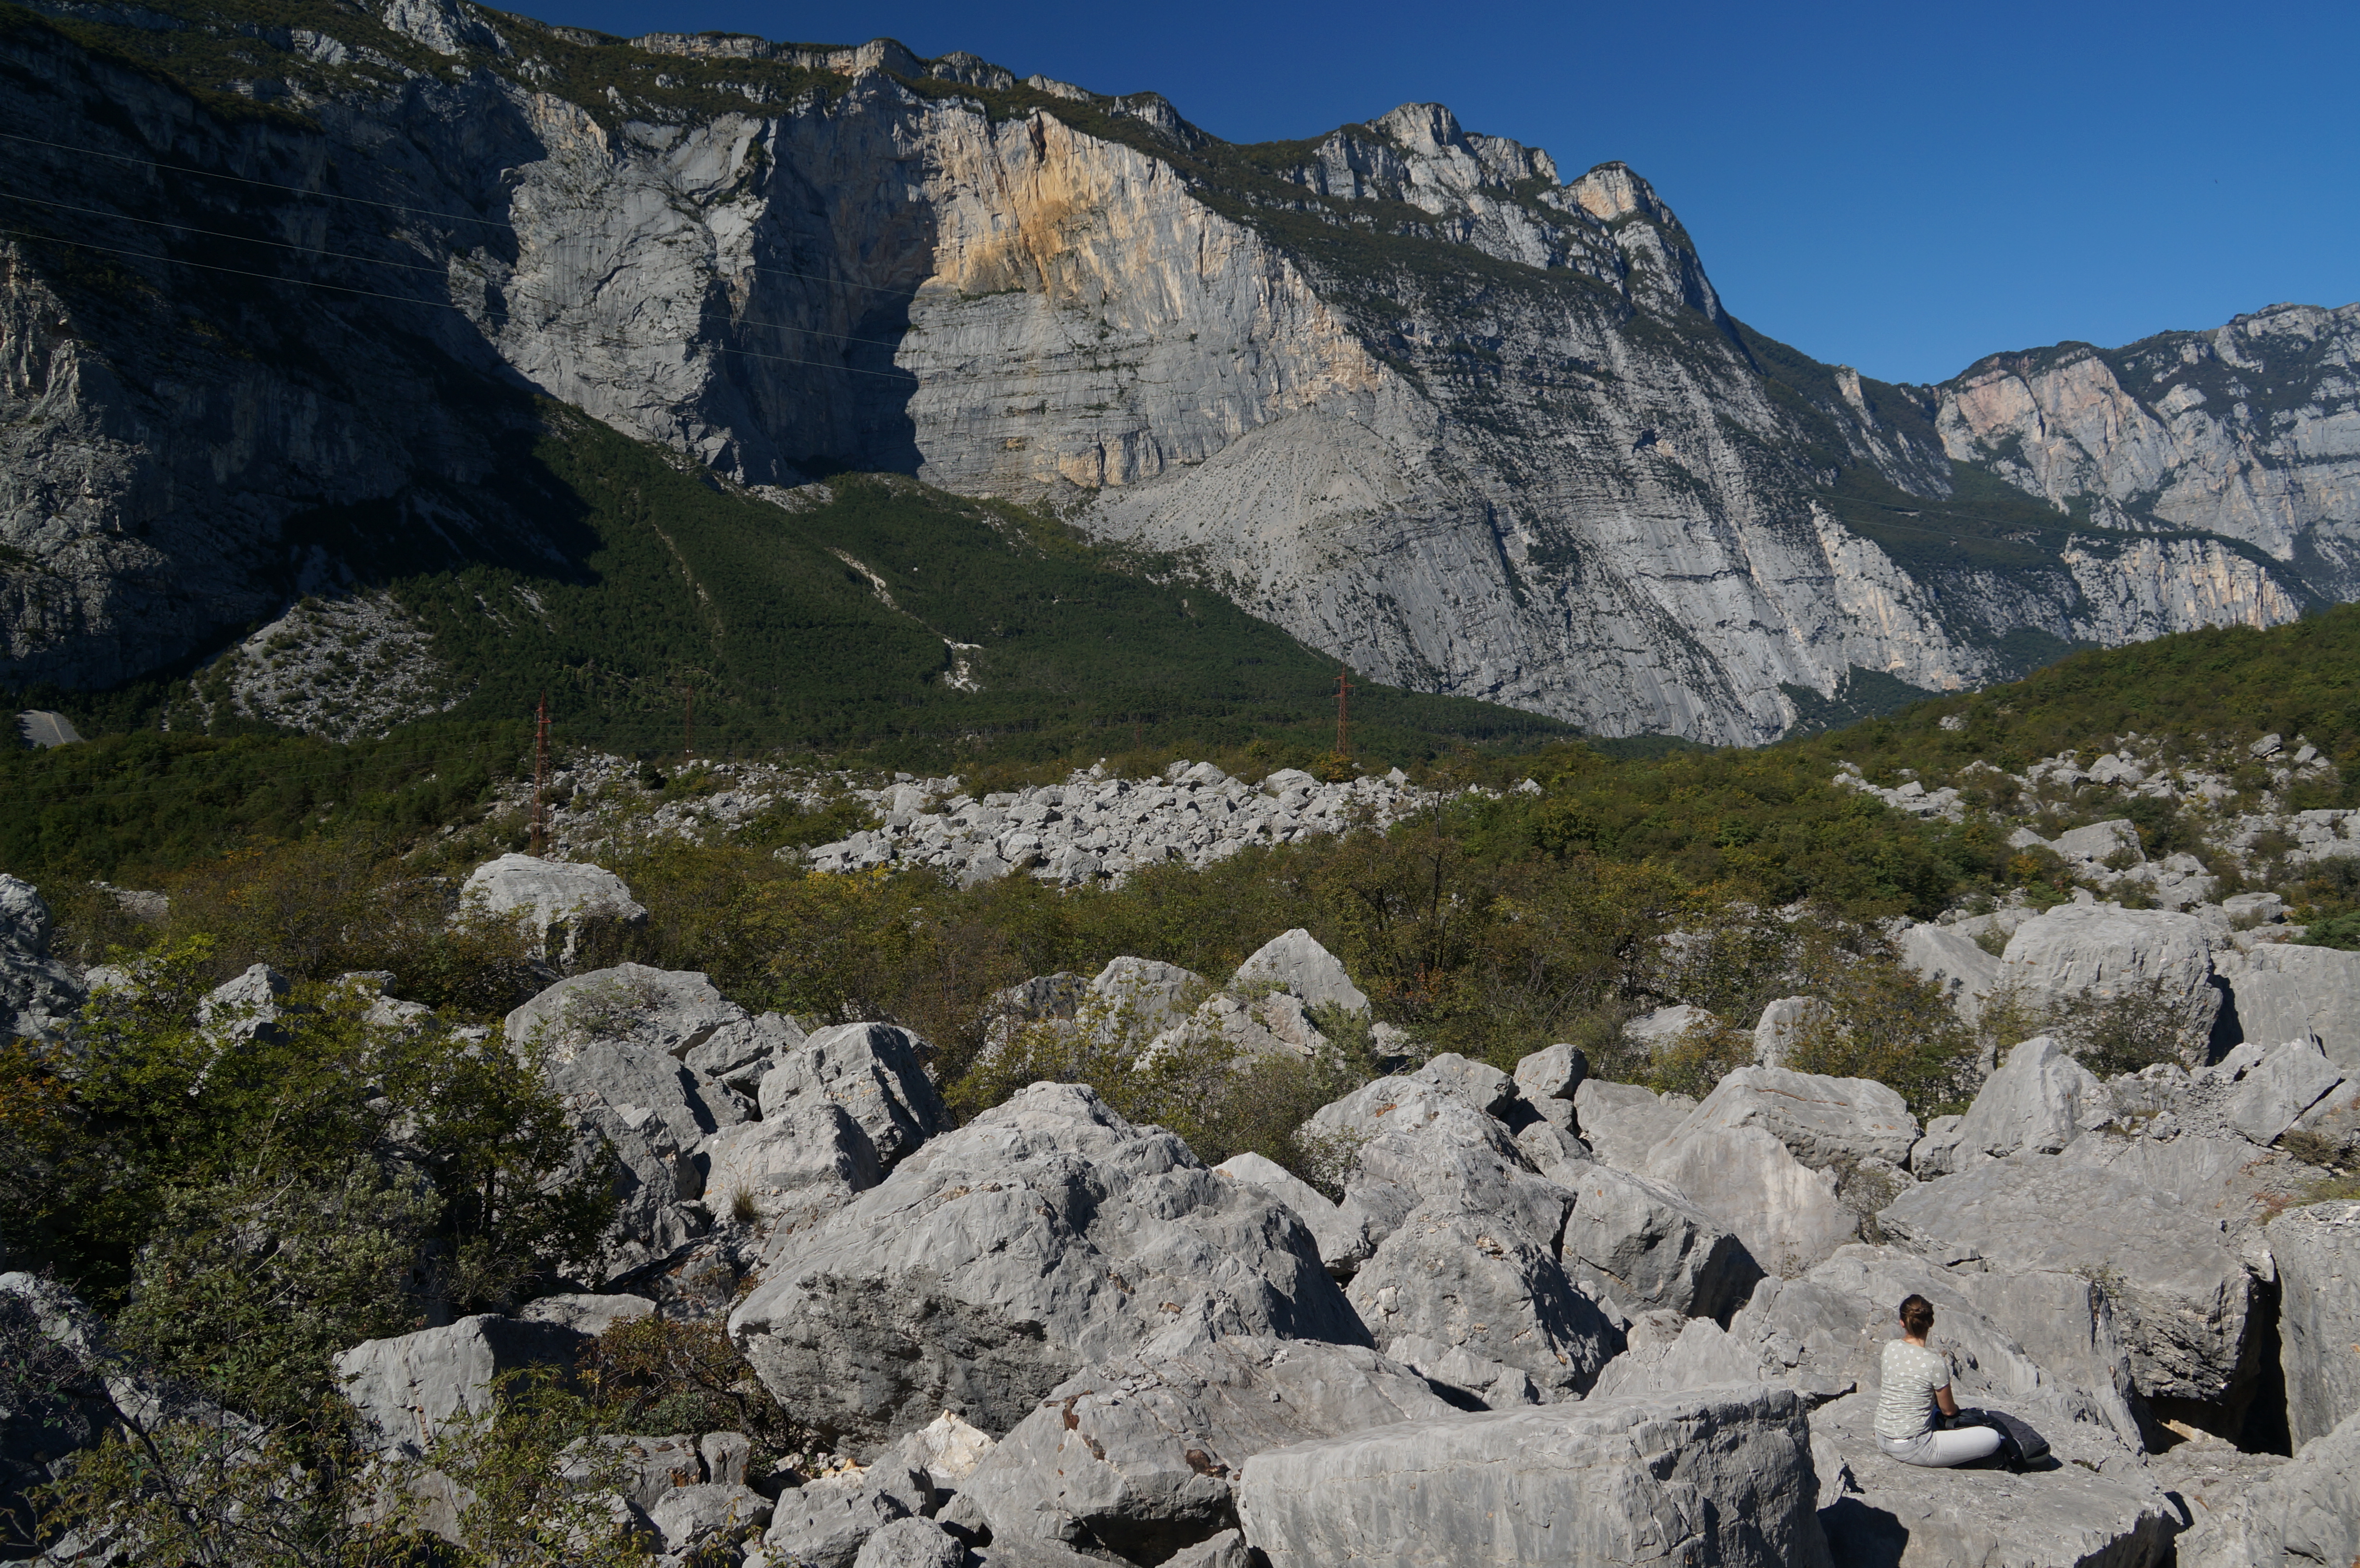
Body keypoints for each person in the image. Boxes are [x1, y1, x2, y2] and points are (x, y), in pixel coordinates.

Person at [1874, 1294, 2004, 1468]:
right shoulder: (1934, 1363)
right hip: (1914, 1447)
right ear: (1931, 1323)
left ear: (1902, 1322)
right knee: (1993, 1438)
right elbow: (1949, 1411)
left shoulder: (1890, 1347)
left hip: (1882, 1437)